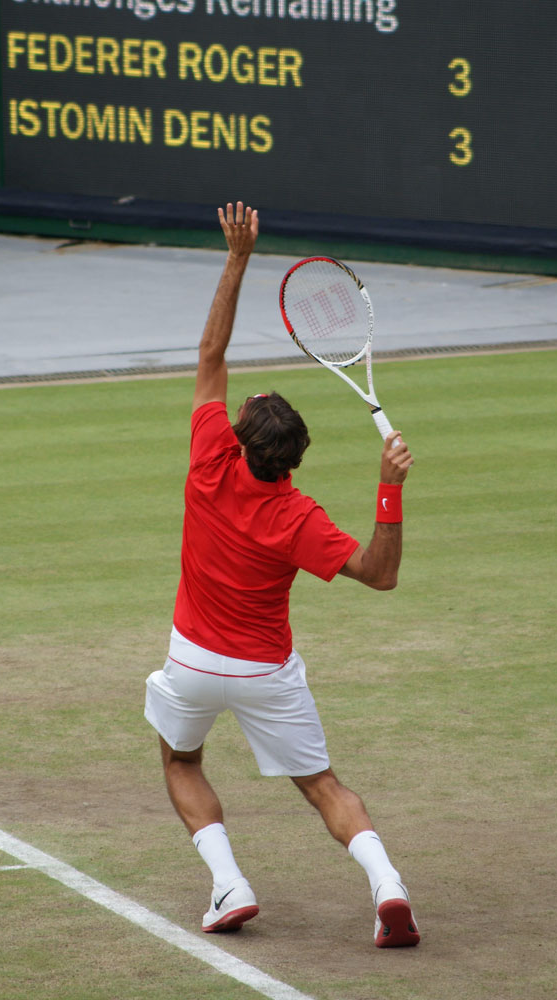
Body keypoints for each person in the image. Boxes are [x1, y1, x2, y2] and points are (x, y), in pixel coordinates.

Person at [142, 200, 421, 949]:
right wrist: (389, 486)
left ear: (241, 440)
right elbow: (379, 573)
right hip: (267, 672)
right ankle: (388, 886)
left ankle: (229, 883)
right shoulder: (299, 518)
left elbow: (209, 357)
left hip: (194, 662)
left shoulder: (210, 458)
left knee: (179, 759)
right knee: (324, 787)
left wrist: (237, 258)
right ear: (292, 459)